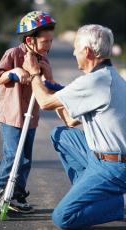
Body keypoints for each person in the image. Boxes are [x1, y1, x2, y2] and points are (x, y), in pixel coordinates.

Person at [23, 24, 126, 228]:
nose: (73, 53)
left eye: (76, 49)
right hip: (100, 156)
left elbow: (44, 102)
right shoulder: (109, 77)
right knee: (62, 134)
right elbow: (70, 121)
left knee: (63, 217)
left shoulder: (95, 82)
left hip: (114, 167)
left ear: (87, 52)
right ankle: (89, 193)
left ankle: (121, 203)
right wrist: (49, 80)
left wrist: (34, 74)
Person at [0, 11, 56, 213]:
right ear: (29, 40)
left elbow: (49, 90)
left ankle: (16, 194)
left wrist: (47, 74)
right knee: (12, 156)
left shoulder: (43, 60)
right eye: (45, 42)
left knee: (25, 160)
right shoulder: (13, 55)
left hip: (31, 118)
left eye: (51, 41)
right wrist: (14, 72)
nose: (48, 46)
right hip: (12, 115)